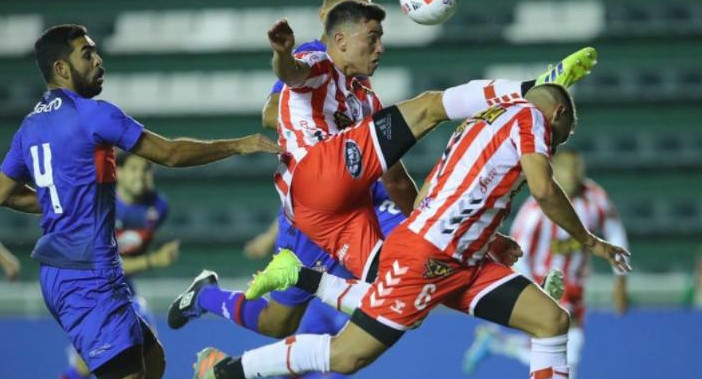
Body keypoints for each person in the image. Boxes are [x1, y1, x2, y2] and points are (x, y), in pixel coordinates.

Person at [169, 0, 590, 344]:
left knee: (292, 319)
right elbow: (283, 89)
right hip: (315, 187)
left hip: (343, 208)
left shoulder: (366, 100)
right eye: (372, 38)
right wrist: (281, 55)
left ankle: (206, 297)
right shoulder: (313, 59)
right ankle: (529, 87)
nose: (380, 48)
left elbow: (396, 181)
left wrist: (438, 220)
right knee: (428, 106)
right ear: (337, 34)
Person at [190, 83, 631, 378]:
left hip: (462, 259)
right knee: (347, 356)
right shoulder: (528, 119)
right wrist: (591, 241)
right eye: (562, 136)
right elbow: (544, 189)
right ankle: (228, 369)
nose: (556, 146)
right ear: (555, 114)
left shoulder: (482, 120)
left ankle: (301, 276)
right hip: (427, 257)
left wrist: (489, 239)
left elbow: (449, 196)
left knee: (552, 320)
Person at [0, 24, 279, 379]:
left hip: (68, 272)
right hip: (85, 275)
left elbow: (4, 193)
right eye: (87, 54)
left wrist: (58, 202)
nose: (99, 60)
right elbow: (171, 153)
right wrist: (237, 145)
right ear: (61, 69)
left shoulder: (29, 127)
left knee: (153, 362)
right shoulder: (94, 115)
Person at [462, 149, 629, 379]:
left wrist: (620, 279)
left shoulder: (595, 199)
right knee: (570, 349)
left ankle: (497, 343)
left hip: (577, 284)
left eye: (576, 168)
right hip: (548, 283)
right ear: (555, 171)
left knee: (553, 346)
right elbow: (518, 255)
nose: (571, 174)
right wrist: (537, 291)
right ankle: (499, 344)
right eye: (566, 168)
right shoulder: (535, 211)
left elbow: (614, 230)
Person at [60, 152, 179, 379]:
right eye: (133, 169)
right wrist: (153, 260)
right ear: (119, 173)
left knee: (150, 352)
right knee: (94, 362)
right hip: (89, 288)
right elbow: (100, 265)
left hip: (121, 288)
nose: (140, 176)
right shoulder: (100, 206)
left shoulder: (157, 208)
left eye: (146, 170)